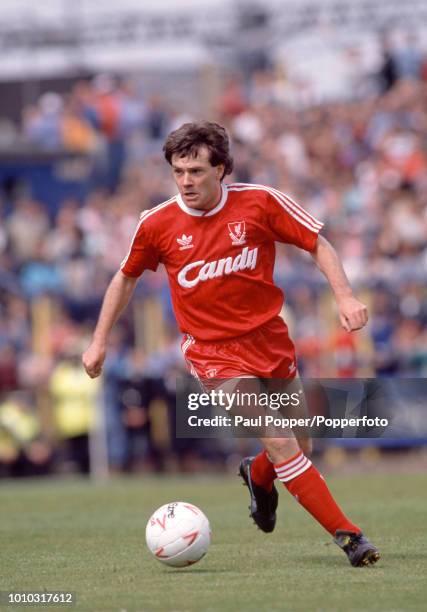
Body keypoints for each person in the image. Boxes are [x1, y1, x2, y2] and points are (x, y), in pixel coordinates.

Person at [83, 121, 380, 567]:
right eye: (178, 171)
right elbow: (125, 277)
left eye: (197, 171)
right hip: (212, 353)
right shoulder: (157, 223)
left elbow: (317, 244)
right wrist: (99, 339)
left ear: (221, 169)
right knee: (283, 442)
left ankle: (257, 474)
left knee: (300, 443)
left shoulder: (260, 202)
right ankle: (350, 537)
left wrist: (345, 295)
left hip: (270, 340)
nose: (186, 181)